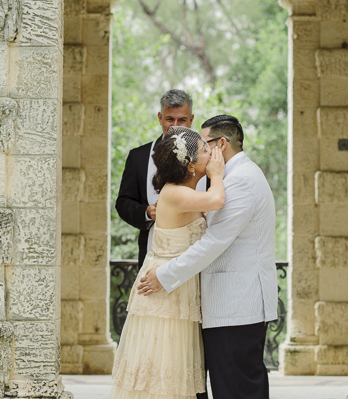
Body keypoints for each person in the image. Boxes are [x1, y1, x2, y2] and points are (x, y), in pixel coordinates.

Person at [138, 115, 278, 399]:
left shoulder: (241, 180)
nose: (199, 149)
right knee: (232, 387)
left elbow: (215, 241)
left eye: (205, 144)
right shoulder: (230, 178)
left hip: (236, 305)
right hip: (229, 306)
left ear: (221, 144)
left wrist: (165, 276)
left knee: (238, 389)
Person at [111, 127, 226, 399]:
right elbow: (217, 200)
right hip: (166, 290)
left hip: (177, 285)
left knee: (177, 371)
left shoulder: (182, 190)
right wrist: (218, 174)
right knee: (164, 371)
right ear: (190, 166)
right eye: (204, 150)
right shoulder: (173, 193)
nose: (211, 151)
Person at [115, 89, 205, 267]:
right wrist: (146, 212)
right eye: (170, 119)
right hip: (153, 251)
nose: (175, 126)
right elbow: (123, 203)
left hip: (198, 253)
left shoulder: (205, 156)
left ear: (192, 119)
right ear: (160, 117)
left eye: (182, 120)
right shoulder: (138, 157)